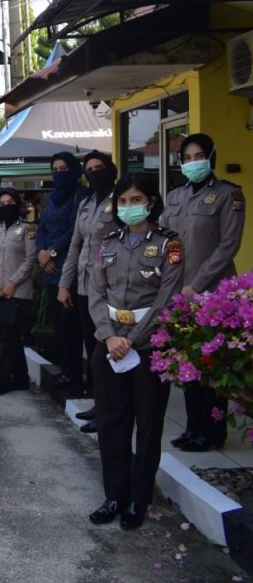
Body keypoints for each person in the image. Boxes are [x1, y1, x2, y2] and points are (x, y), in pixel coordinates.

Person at [87, 173, 183, 530]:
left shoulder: (168, 243)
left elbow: (167, 298)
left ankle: (138, 500)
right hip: (110, 345)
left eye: (136, 200)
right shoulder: (107, 242)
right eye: (123, 201)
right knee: (111, 424)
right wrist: (110, 337)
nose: (129, 207)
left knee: (147, 425)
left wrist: (133, 338)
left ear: (151, 202)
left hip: (149, 346)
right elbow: (95, 292)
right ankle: (114, 495)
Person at [161, 133, 245, 452]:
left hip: (212, 296)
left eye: (198, 156)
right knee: (188, 364)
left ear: (211, 157)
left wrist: (196, 285)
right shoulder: (175, 196)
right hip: (179, 295)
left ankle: (212, 431)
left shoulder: (229, 195)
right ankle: (193, 426)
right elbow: (168, 241)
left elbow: (228, 246)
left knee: (212, 365)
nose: (191, 162)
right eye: (186, 158)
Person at [59, 151, 118, 432]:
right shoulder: (85, 203)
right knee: (92, 348)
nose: (94, 173)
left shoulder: (120, 201)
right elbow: (75, 246)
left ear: (110, 169)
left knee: (106, 351)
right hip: (84, 287)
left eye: (100, 168)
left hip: (111, 289)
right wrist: (63, 284)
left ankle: (110, 409)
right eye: (90, 169)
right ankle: (99, 403)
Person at [35, 153, 85, 392]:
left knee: (72, 326)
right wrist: (42, 253)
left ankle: (75, 374)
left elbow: (76, 230)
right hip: (49, 268)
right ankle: (65, 369)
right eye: (55, 169)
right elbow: (43, 227)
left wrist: (51, 253)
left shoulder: (80, 196)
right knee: (59, 325)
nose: (59, 173)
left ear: (75, 170)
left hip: (70, 267)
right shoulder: (53, 198)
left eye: (64, 168)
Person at [0, 187, 37, 396]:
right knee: (8, 336)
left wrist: (13, 283)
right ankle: (21, 378)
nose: (7, 206)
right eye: (3, 203)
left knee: (9, 338)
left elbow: (30, 259)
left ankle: (3, 379)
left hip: (19, 292)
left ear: (18, 203)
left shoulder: (28, 228)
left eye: (10, 202)